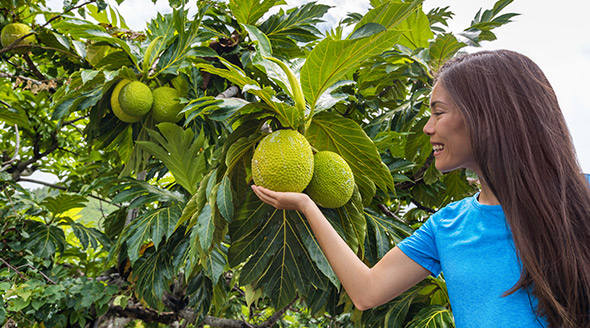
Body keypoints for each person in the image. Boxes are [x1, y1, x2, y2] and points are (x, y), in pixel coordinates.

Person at [251, 50, 590, 328]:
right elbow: (366, 291)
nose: (428, 128)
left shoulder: (582, 199)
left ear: (486, 116)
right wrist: (307, 206)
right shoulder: (447, 226)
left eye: (438, 112)